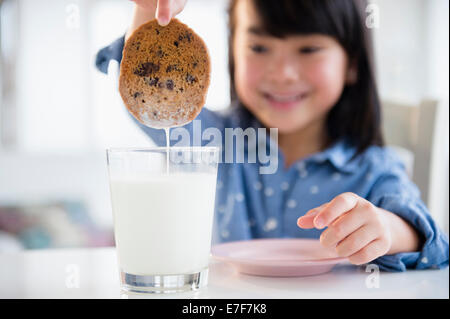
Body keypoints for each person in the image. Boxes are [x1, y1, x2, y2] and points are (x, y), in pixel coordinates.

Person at [96, 0, 449, 271]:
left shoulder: (372, 168)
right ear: (233, 51)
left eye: (308, 49)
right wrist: (148, 9)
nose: (281, 74)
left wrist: (388, 230)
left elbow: (430, 242)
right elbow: (147, 96)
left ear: (352, 63)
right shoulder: (216, 143)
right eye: (259, 48)